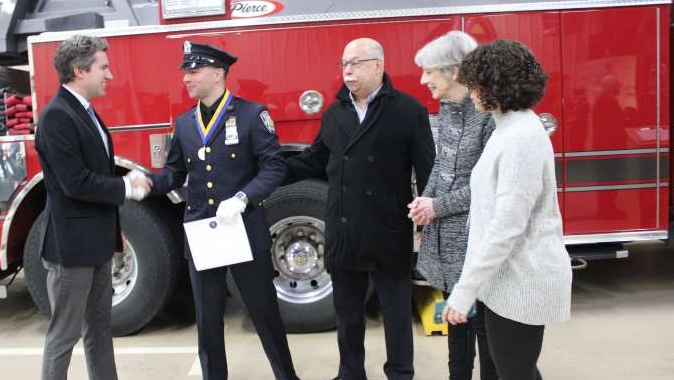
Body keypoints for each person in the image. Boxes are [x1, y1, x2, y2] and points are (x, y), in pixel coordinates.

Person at [285, 38, 436, 380]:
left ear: (379, 65)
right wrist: (271, 172)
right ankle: (350, 372)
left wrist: (429, 224)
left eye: (355, 63)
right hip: (344, 229)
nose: (347, 71)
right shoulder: (336, 112)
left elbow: (428, 169)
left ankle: (400, 372)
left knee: (395, 312)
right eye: (343, 65)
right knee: (348, 312)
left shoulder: (408, 111)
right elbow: (315, 159)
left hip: (387, 229)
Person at [149, 41, 299, 380]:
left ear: (218, 74)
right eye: (185, 72)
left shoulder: (251, 114)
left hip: (242, 226)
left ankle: (287, 376)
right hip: (203, 230)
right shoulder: (184, 123)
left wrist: (244, 198)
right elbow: (174, 173)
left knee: (263, 311)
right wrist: (145, 184)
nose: (186, 78)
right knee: (208, 317)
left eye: (193, 71)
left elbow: (274, 167)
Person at [443, 40, 573, 380]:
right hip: (503, 280)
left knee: (514, 373)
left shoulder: (521, 139)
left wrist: (464, 290)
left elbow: (507, 226)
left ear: (499, 84)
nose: (470, 91)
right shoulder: (509, 128)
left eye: (477, 84)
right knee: (507, 371)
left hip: (523, 280)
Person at [34, 34, 151, 380]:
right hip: (72, 251)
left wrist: (123, 184)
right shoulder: (56, 117)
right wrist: (125, 186)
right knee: (64, 335)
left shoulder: (84, 112)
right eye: (103, 67)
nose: (109, 75)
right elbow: (76, 183)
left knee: (99, 331)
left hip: (97, 244)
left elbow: (92, 171)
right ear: (78, 70)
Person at [408, 31, 498, 380]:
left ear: (454, 72)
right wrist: (424, 201)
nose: (423, 79)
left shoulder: (490, 118)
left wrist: (437, 207)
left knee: (485, 335)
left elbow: (486, 187)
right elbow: (441, 169)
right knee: (454, 324)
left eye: (429, 71)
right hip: (446, 243)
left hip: (474, 246)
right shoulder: (446, 110)